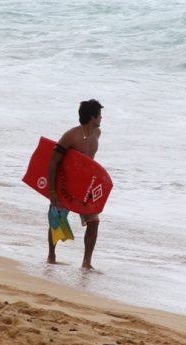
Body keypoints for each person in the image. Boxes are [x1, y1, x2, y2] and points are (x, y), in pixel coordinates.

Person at [47, 99, 103, 270]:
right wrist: (53, 191)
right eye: (100, 115)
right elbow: (53, 162)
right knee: (57, 219)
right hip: (66, 186)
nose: (101, 118)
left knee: (94, 222)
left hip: (86, 187)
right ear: (92, 117)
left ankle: (87, 262)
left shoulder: (97, 133)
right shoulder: (71, 136)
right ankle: (51, 255)